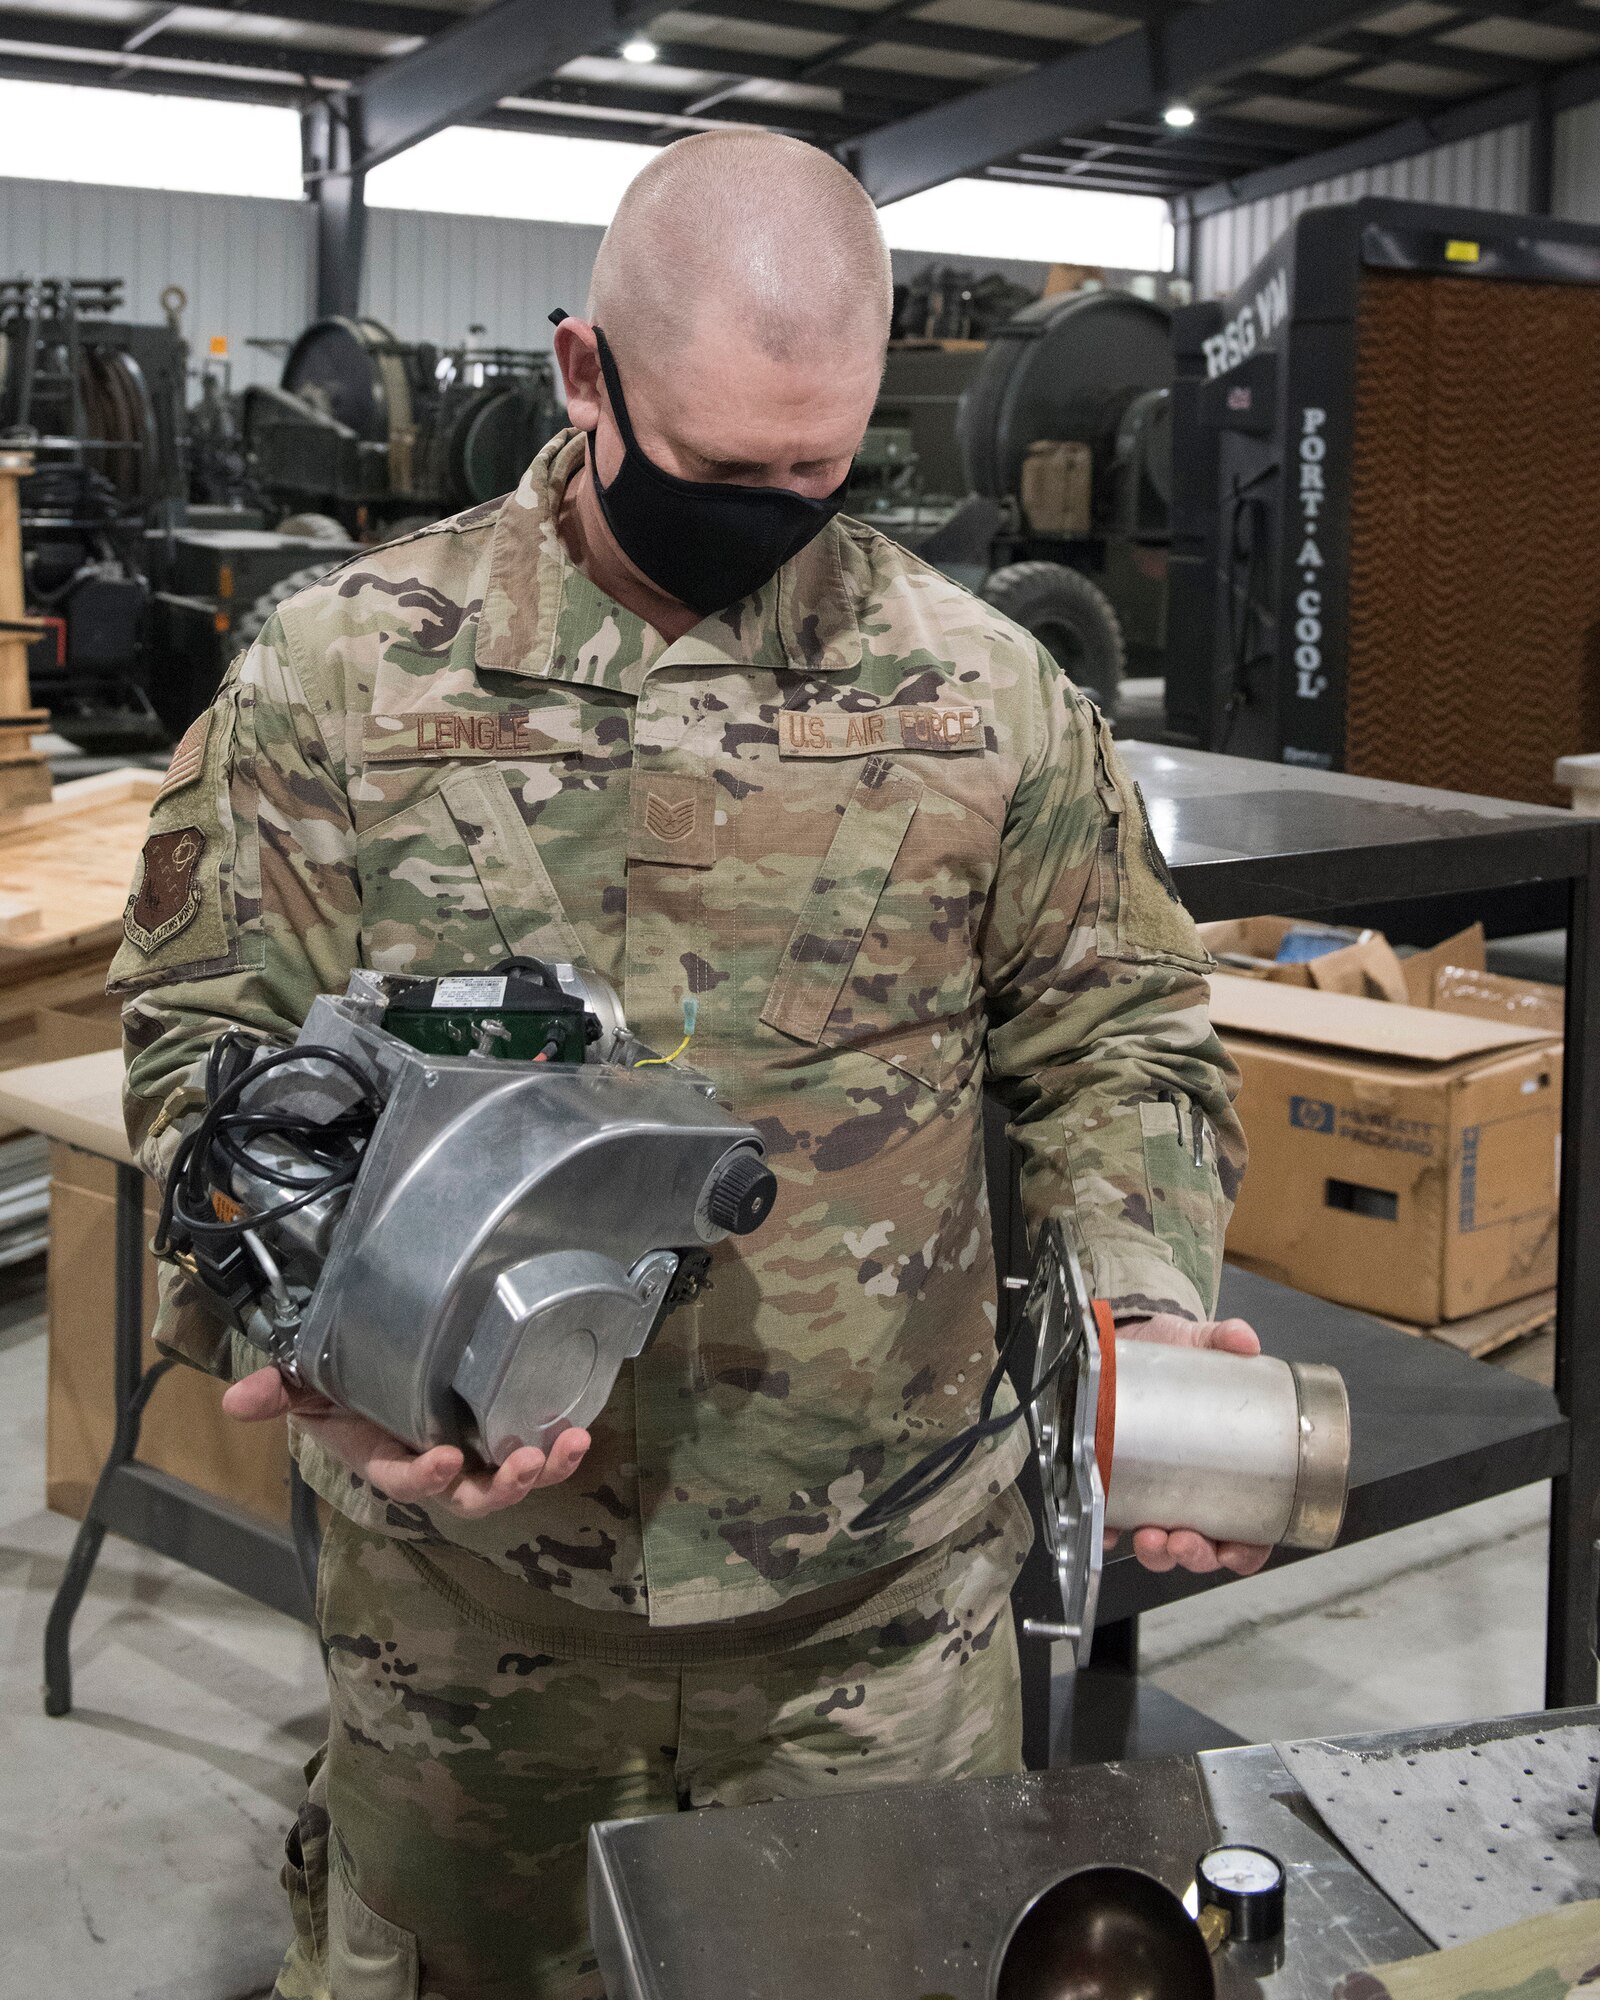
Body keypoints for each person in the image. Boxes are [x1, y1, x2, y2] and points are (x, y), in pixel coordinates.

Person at [114, 129, 1259, 2000]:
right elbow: (209, 1060)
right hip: (468, 1640)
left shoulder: (983, 692)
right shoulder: (342, 675)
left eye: (827, 468)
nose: (779, 510)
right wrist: (330, 1346)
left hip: (874, 1638)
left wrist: (1138, 1302)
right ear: (586, 374)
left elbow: (1114, 1032)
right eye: (728, 470)